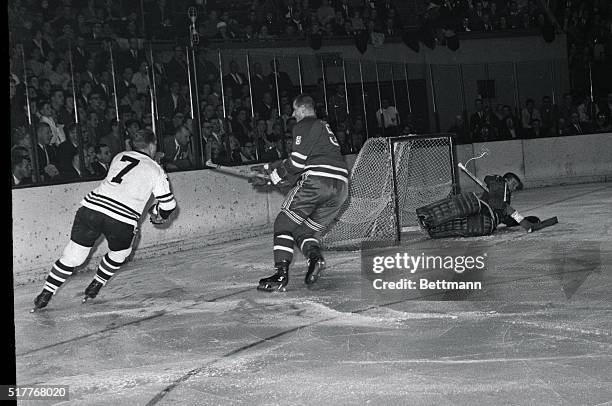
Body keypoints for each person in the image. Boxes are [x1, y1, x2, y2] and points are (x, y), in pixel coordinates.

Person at [32, 130, 177, 311]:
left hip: (91, 208)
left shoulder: (119, 156)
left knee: (73, 256)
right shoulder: (155, 169)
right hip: (122, 219)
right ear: (152, 145)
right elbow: (169, 204)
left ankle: (45, 294)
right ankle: (97, 284)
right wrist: (160, 215)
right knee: (121, 253)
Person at [253, 94, 349, 292]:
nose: (293, 114)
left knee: (282, 224)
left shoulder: (304, 125)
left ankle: (280, 275)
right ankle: (315, 258)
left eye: (295, 110)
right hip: (341, 187)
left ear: (303, 109)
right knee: (302, 231)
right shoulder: (323, 127)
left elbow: (296, 164)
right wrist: (272, 172)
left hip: (318, 182)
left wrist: (274, 177)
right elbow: (304, 164)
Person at [416, 173, 540, 239]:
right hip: (484, 216)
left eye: (515, 187)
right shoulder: (500, 184)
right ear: (506, 180)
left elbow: (506, 217)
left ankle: (429, 222)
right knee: (457, 218)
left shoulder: (505, 197)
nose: (514, 188)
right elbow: (490, 183)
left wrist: (523, 220)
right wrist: (519, 218)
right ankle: (430, 224)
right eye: (513, 184)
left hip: (485, 216)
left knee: (459, 215)